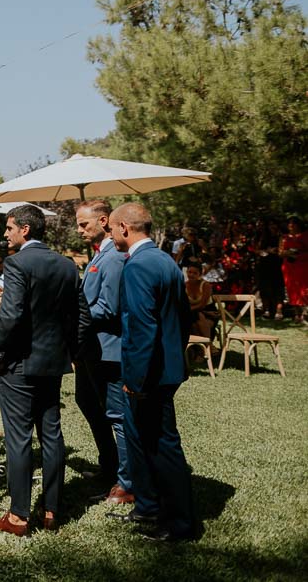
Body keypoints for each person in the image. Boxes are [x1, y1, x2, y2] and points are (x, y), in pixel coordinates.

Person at [0, 204, 89, 536]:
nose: (5, 233)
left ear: (25, 230)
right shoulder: (67, 265)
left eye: (9, 227)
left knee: (18, 439)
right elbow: (82, 317)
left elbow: (12, 316)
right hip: (54, 364)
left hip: (18, 365)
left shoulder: (17, 263)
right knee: (52, 435)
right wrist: (70, 352)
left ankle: (17, 517)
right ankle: (51, 510)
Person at [108, 202, 198, 542]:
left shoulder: (139, 265)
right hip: (167, 367)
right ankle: (146, 506)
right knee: (140, 441)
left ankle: (180, 524)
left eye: (112, 228)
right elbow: (182, 318)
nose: (111, 234)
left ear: (124, 229)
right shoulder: (165, 261)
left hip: (150, 375)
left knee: (162, 447)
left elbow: (141, 328)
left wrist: (135, 380)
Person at [73, 200, 132, 507]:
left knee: (115, 414)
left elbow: (108, 307)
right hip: (89, 350)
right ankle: (108, 465)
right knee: (87, 402)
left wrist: (69, 314)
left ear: (104, 221)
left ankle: (126, 482)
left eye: (84, 224)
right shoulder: (99, 256)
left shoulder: (114, 258)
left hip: (108, 350)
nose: (79, 230)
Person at [279, 216, 308, 322]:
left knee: (304, 288)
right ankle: (297, 314)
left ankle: (305, 312)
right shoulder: (284, 237)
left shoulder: (305, 235)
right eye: (289, 223)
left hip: (303, 265)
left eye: (294, 223)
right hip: (289, 266)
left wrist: (298, 253)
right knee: (292, 289)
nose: (291, 225)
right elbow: (280, 252)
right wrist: (288, 253)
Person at [254, 220, 285, 319]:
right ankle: (266, 310)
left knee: (278, 288)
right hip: (264, 265)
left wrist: (275, 251)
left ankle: (278, 311)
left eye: (274, 224)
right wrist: (267, 251)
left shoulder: (282, 237)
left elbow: (282, 250)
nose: (272, 226)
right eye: (270, 224)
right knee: (264, 288)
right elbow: (257, 250)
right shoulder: (263, 237)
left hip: (277, 264)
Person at [185, 264, 215, 340]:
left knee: (197, 317)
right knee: (193, 321)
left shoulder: (205, 285)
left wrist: (187, 309)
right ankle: (201, 348)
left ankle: (208, 345)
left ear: (200, 275)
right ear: (186, 272)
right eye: (190, 272)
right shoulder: (184, 285)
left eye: (195, 273)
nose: (191, 275)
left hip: (208, 313)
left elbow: (202, 305)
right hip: (192, 314)